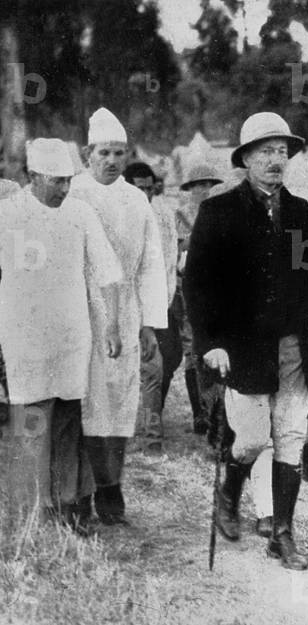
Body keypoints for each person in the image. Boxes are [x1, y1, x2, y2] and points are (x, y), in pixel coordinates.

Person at [184, 111, 308, 570]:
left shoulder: (298, 212)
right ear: (246, 159)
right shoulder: (219, 212)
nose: (276, 161)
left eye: (282, 152)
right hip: (244, 347)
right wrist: (210, 343)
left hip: (297, 346)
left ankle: (283, 535)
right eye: (266, 152)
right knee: (253, 438)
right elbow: (198, 285)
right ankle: (229, 493)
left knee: (292, 437)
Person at [0, 139, 122, 533]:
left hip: (72, 336)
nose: (65, 189)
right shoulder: (8, 214)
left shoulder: (81, 213)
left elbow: (107, 271)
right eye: (56, 181)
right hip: (24, 336)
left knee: (69, 422)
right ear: (32, 177)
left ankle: (69, 503)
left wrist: (112, 324)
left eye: (69, 180)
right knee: (31, 424)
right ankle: (33, 512)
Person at [69, 108, 169, 526]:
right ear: (87, 153)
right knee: (81, 404)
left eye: (119, 153)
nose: (112, 161)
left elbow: (150, 263)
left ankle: (112, 489)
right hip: (79, 310)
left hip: (124, 311)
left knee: (119, 404)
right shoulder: (72, 193)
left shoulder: (135, 200)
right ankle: (78, 492)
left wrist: (148, 321)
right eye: (104, 153)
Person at [124, 161, 179, 453]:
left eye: (148, 188)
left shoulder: (163, 215)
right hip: (122, 306)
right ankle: (139, 432)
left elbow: (169, 263)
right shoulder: (116, 214)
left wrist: (161, 307)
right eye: (138, 188)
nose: (144, 194)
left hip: (156, 305)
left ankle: (151, 430)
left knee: (160, 365)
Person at [176, 164, 224, 435]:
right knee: (194, 352)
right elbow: (181, 253)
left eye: (208, 184)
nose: (204, 190)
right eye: (198, 185)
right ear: (189, 189)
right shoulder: (182, 215)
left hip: (220, 292)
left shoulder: (222, 212)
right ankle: (199, 414)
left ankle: (217, 413)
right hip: (191, 291)